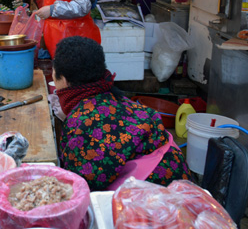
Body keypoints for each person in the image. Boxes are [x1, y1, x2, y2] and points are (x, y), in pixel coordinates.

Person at [54, 36, 190, 191]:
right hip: (185, 185)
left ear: (64, 81)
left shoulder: (80, 124)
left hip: (157, 201)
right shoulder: (120, 100)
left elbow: (81, 187)